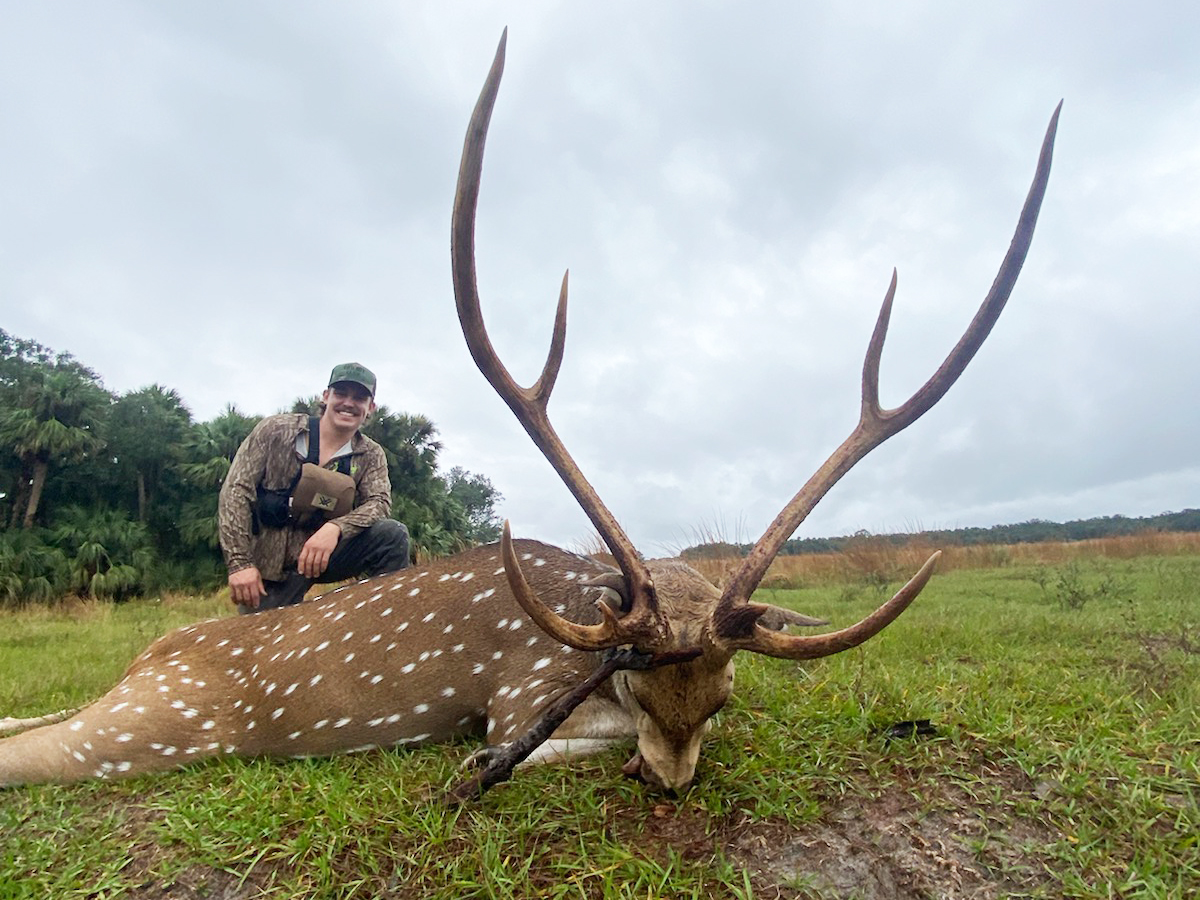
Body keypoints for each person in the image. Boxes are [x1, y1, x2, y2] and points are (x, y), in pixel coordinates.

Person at [218, 362, 410, 614]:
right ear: (326, 396)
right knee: (256, 646)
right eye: (341, 394)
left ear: (370, 407)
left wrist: (336, 528)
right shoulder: (275, 431)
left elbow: (379, 503)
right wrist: (239, 564)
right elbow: (235, 492)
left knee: (392, 536)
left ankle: (378, 622)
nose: (349, 403)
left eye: (360, 397)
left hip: (323, 556)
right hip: (269, 565)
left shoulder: (372, 454)